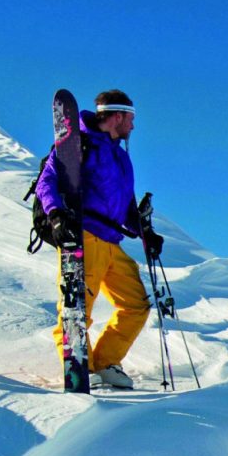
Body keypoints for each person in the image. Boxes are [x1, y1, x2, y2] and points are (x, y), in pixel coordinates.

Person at [35, 89, 164, 389]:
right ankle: (80, 364)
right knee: (77, 306)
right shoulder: (78, 143)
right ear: (117, 116)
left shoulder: (121, 157)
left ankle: (105, 362)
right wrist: (56, 215)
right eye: (130, 119)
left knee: (137, 304)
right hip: (86, 236)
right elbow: (47, 180)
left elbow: (125, 204)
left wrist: (147, 233)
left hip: (112, 240)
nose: (133, 126)